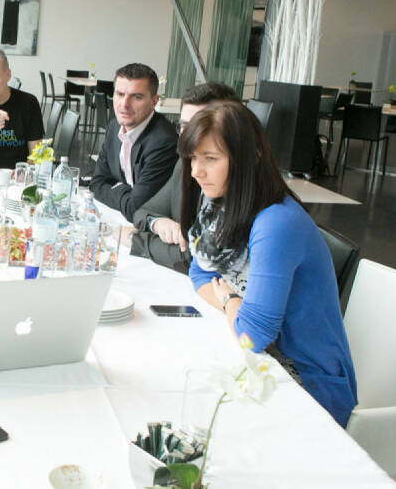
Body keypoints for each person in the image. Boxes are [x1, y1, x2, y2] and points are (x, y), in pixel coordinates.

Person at [179, 101, 357, 427]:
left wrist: (230, 299)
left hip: (309, 385)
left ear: (251, 158)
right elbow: (199, 271)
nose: (195, 171)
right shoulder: (219, 203)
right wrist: (236, 309)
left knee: (197, 412)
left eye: (210, 159)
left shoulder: (277, 223)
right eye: (193, 157)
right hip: (264, 366)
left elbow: (252, 334)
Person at [128, 82, 239, 272]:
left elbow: (195, 258)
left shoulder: (236, 182)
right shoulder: (185, 164)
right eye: (185, 126)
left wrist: (134, 240)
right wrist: (158, 223)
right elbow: (142, 211)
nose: (189, 136)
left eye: (201, 125)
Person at [90, 62, 177, 222]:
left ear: (154, 101)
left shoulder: (163, 142)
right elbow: (96, 184)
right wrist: (127, 192)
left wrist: (116, 188)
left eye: (137, 97)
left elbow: (136, 208)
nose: (124, 104)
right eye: (120, 94)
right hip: (118, 218)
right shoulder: (114, 126)